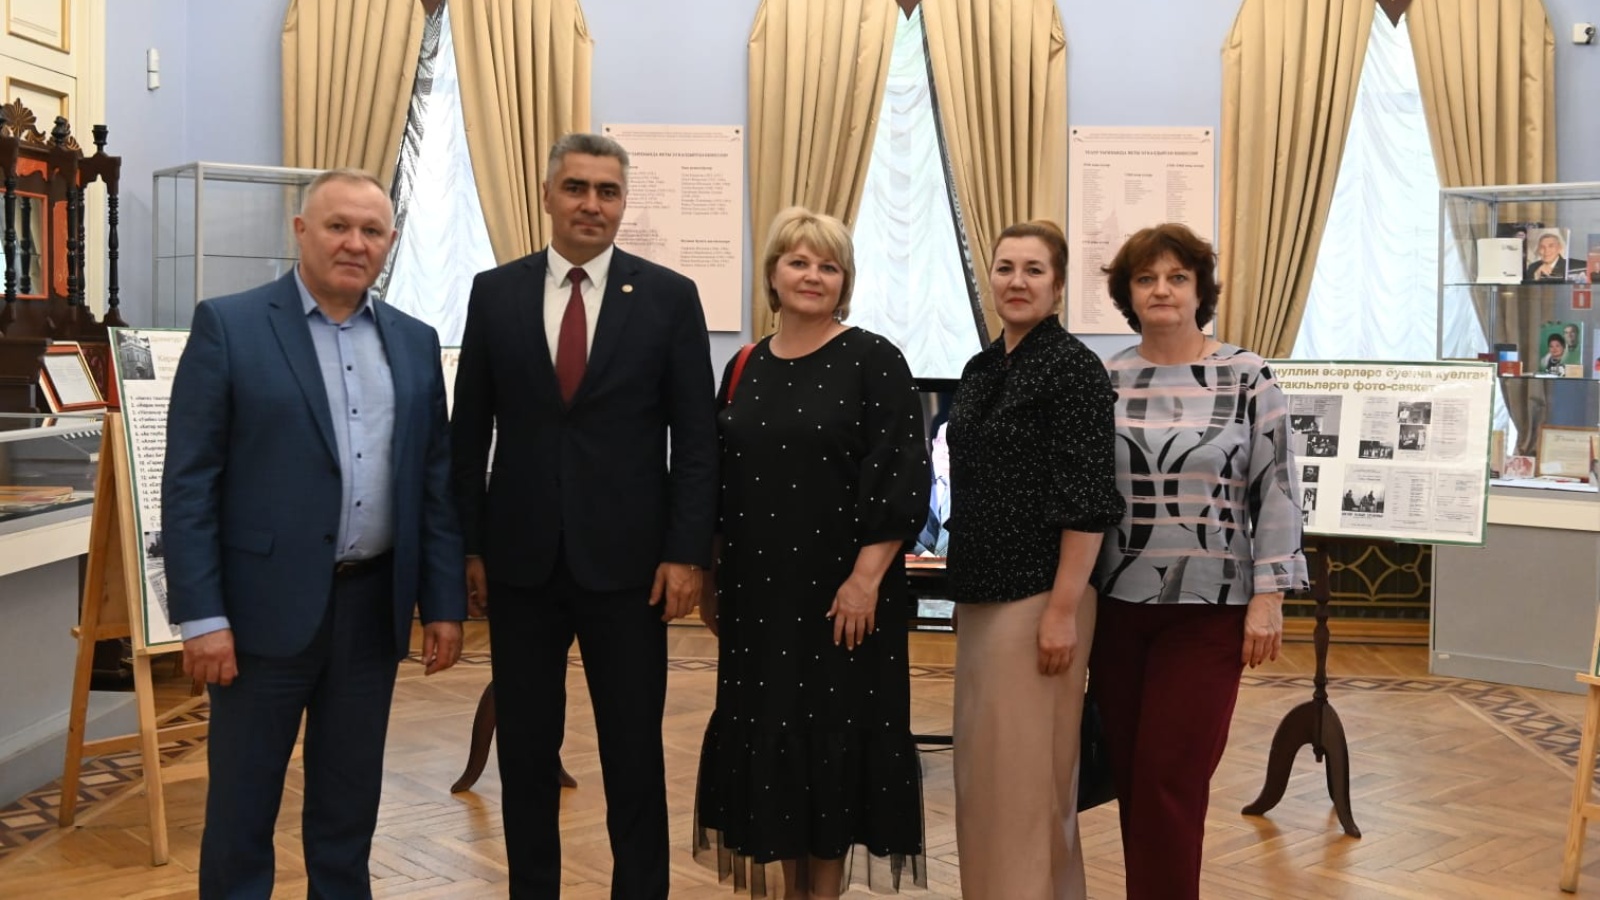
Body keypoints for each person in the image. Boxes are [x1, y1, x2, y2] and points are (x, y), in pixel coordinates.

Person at [162, 168, 466, 898]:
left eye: (372, 231)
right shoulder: (229, 326)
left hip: (371, 612)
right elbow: (190, 484)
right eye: (338, 226)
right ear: (301, 231)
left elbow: (433, 485)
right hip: (258, 616)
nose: (355, 243)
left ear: (390, 242)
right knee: (242, 811)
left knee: (347, 811)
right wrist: (202, 617)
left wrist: (443, 603)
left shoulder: (415, 342)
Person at [450, 132, 717, 899]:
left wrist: (686, 553)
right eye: (576, 187)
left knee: (633, 754)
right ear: (547, 195)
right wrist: (469, 547)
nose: (591, 204)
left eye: (608, 191)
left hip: (631, 569)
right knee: (526, 752)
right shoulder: (494, 293)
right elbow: (468, 434)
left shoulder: (668, 297)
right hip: (520, 565)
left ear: (624, 203)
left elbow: (696, 439)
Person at [693, 207, 930, 898]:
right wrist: (711, 578)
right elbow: (718, 480)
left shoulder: (875, 359)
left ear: (845, 281)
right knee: (772, 747)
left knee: (832, 747)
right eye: (799, 261)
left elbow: (901, 479)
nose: (813, 276)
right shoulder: (743, 365)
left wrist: (864, 581)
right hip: (758, 601)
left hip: (843, 603)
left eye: (829, 266)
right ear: (773, 273)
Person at [1093, 222, 1309, 900]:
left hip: (1210, 610)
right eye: (1146, 278)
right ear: (1128, 294)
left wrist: (1270, 596)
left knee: (1171, 775)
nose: (1161, 290)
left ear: (1199, 291)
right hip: (1115, 609)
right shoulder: (1105, 379)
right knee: (1132, 776)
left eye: (1177, 277)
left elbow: (1277, 487)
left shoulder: (1247, 375)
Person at [943, 220, 1124, 898]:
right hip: (982, 594)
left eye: (1034, 270)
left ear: (1059, 285)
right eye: (1005, 268)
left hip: (1040, 598)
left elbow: (1087, 502)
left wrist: (1062, 611)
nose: (1017, 281)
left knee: (1025, 786)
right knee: (985, 781)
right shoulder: (984, 367)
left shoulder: (1073, 369)